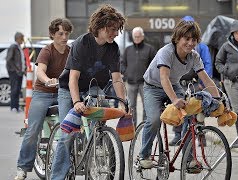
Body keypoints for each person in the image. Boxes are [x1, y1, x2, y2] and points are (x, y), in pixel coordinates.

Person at [50, 4, 126, 179]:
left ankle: (96, 141)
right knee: (67, 133)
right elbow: (73, 79)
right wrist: (76, 102)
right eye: (112, 29)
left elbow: (116, 78)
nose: (115, 33)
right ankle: (58, 176)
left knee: (101, 114)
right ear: (100, 26)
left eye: (117, 29)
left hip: (93, 87)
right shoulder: (82, 43)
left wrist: (123, 102)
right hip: (69, 89)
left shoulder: (113, 48)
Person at [139, 19, 220, 169]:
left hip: (174, 85)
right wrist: (175, 99)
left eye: (194, 39)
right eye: (186, 39)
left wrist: (218, 99)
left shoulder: (194, 56)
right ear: (177, 38)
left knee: (190, 116)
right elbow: (163, 78)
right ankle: (143, 155)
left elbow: (206, 79)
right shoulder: (166, 52)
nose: (190, 43)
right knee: (154, 119)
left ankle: (189, 160)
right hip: (153, 87)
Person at [14, 18, 73, 180]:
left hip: (63, 92)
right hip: (44, 92)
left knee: (70, 125)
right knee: (33, 129)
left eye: (66, 33)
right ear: (53, 35)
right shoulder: (47, 51)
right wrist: (47, 80)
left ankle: (68, 162)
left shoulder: (70, 52)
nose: (64, 37)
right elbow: (40, 71)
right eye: (60, 33)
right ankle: (23, 167)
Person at [169, 15, 213, 146]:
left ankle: (201, 136)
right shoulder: (173, 47)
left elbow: (207, 65)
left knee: (198, 109)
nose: (190, 41)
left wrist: (202, 84)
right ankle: (177, 136)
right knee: (178, 109)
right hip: (178, 83)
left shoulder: (202, 47)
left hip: (194, 83)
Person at [215, 20, 238, 135]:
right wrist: (226, 71)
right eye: (236, 33)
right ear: (232, 34)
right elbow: (218, 62)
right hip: (231, 82)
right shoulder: (226, 46)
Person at [121, 26, 156, 127]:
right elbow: (122, 64)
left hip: (145, 83)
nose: (136, 38)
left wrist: (149, 77)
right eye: (135, 36)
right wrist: (126, 73)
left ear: (142, 36)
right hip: (131, 83)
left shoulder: (150, 49)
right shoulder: (128, 50)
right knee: (132, 106)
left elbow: (154, 65)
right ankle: (133, 126)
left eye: (138, 36)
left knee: (146, 105)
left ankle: (145, 126)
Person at [6, 32, 25, 112]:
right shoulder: (13, 47)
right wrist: (16, 70)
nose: (23, 40)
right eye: (22, 38)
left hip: (19, 72)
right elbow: (9, 60)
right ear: (18, 38)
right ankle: (13, 107)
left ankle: (16, 107)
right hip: (15, 72)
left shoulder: (19, 47)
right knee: (14, 89)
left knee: (18, 89)